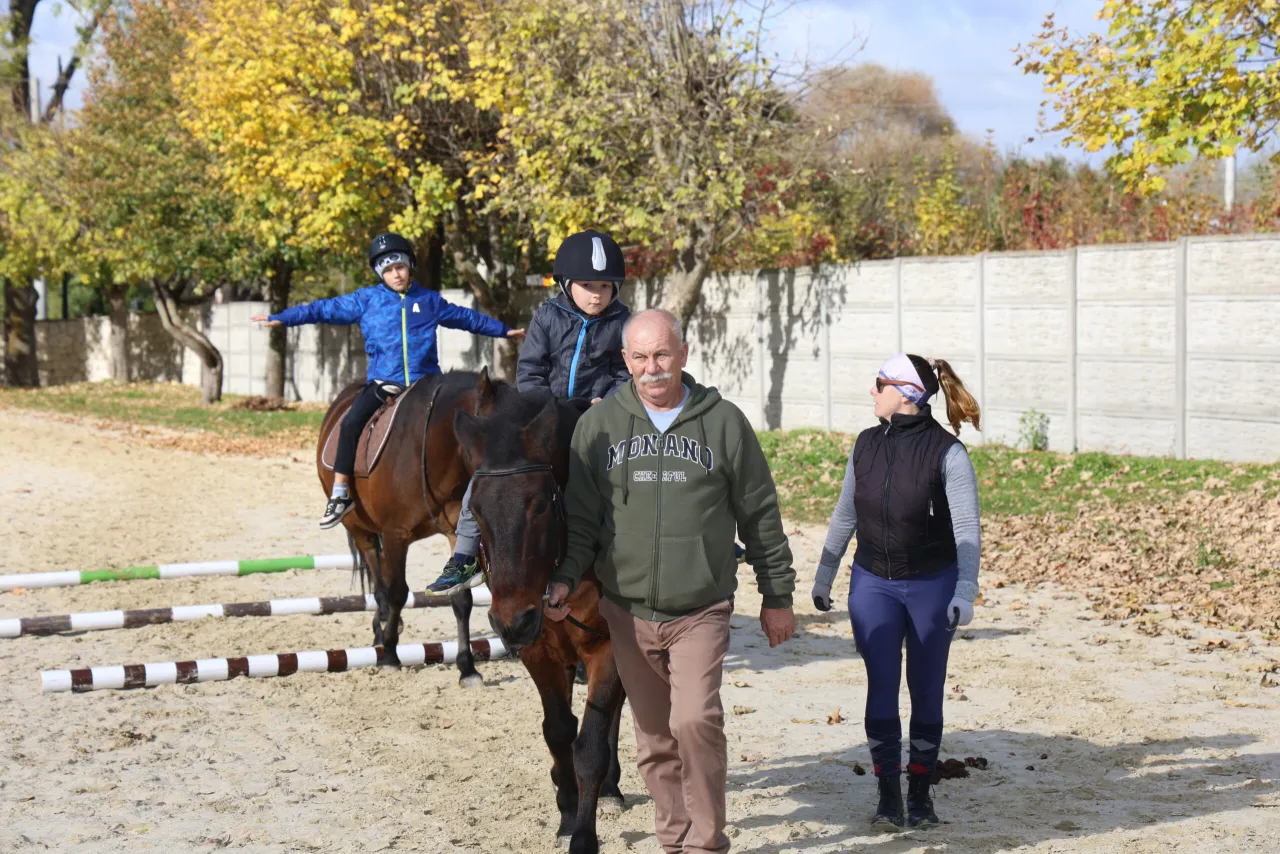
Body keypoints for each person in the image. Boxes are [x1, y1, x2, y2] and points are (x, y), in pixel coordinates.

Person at [544, 308, 797, 854]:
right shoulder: (599, 426)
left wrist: (777, 596)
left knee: (694, 720)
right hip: (626, 612)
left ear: (683, 353)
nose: (652, 368)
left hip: (700, 607)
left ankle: (706, 844)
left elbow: (759, 514)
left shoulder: (724, 422)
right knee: (654, 739)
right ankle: (673, 841)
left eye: (662, 355)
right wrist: (565, 579)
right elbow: (583, 523)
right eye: (640, 357)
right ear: (625, 360)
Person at [810, 352, 982, 833]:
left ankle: (921, 796)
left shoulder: (948, 453)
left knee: (926, 692)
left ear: (906, 393)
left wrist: (964, 590)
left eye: (878, 382)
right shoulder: (865, 444)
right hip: (872, 583)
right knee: (881, 687)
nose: (872, 390)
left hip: (932, 585)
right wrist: (825, 574)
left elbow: (967, 528)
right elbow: (846, 512)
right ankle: (888, 797)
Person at [251, 233, 525, 528]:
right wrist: (283, 317)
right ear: (380, 273)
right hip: (385, 383)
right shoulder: (366, 300)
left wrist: (503, 331)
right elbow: (321, 309)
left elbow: (467, 318)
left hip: (427, 385)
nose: (396, 274)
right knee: (352, 421)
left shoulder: (429, 300)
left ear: (410, 267)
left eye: (400, 267)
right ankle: (341, 492)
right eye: (389, 269)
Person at [425, 229, 631, 595]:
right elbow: (531, 370)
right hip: (544, 417)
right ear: (567, 285)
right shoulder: (547, 317)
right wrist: (545, 409)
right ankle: (466, 556)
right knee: (491, 471)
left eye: (605, 285)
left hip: (597, 416)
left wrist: (609, 402)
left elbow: (622, 372)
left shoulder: (623, 323)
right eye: (587, 284)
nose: (597, 294)